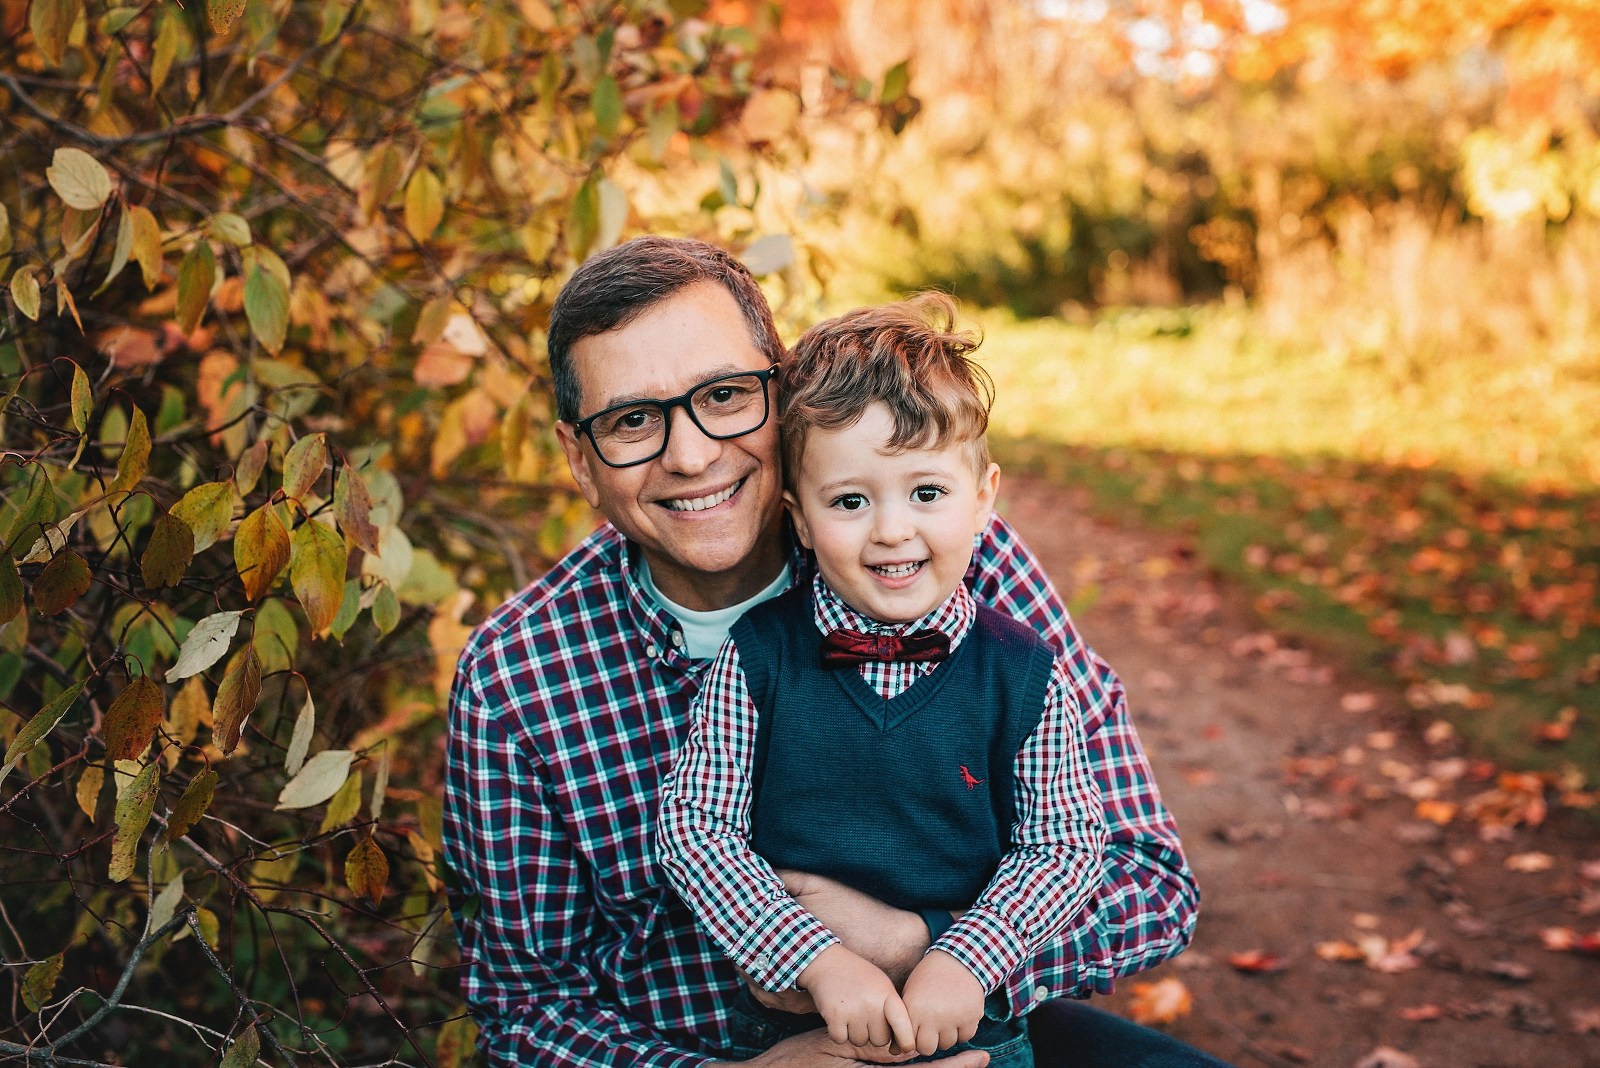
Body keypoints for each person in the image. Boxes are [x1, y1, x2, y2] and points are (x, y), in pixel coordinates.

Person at [442, 236, 1214, 1068]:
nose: (691, 454)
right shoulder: (516, 678)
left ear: (783, 396)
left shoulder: (940, 559)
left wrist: (924, 945)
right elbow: (527, 1008)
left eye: (725, 396)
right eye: (633, 419)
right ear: (580, 460)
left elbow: (1147, 881)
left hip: (972, 1026)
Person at [656, 295, 1108, 1068]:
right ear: (801, 519)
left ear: (983, 500)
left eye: (926, 493)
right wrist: (815, 960)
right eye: (851, 501)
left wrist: (968, 957)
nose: (892, 529)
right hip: (796, 1030)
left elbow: (1064, 844)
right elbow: (696, 831)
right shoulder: (758, 656)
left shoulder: (1023, 669)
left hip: (972, 1027)